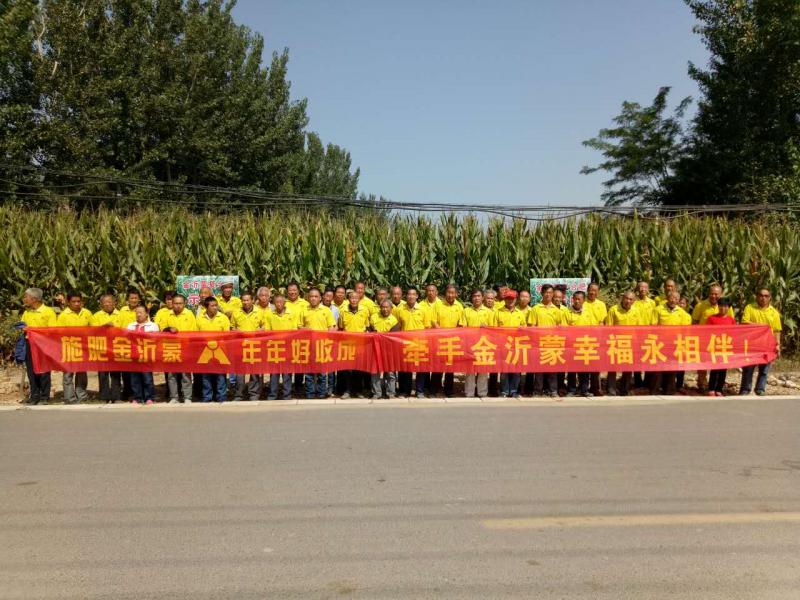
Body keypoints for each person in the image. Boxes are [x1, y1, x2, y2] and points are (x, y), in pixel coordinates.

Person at [739, 288, 782, 396]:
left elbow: (777, 330)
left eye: (766, 296)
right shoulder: (750, 308)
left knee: (764, 369)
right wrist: (760, 327)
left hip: (767, 344)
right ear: (757, 297)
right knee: (748, 368)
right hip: (752, 344)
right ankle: (745, 389)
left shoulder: (774, 313)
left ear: (770, 298)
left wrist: (777, 345)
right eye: (761, 295)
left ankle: (760, 389)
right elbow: (744, 322)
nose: (763, 298)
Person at [20, 288, 58, 404]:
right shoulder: (27, 312)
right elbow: (23, 325)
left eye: (26, 297)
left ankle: (44, 397)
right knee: (31, 370)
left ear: (34, 299)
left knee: (44, 370)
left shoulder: (48, 312)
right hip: (29, 343)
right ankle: (34, 396)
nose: (24, 299)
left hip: (43, 344)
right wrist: (22, 328)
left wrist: (32, 329)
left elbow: (52, 330)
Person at [395, 286, 433, 398]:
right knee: (406, 369)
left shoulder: (423, 309)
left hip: (420, 343)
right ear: (406, 296)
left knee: (421, 368)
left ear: (417, 296)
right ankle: (406, 391)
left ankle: (419, 390)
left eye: (413, 294)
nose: (411, 296)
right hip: (405, 344)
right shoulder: (400, 310)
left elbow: (427, 327)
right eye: (409, 294)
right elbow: (397, 326)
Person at [528, 284, 565, 398]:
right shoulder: (535, 309)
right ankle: (537, 391)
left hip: (553, 343)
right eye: (546, 292)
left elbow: (561, 327)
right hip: (539, 343)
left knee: (553, 369)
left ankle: (553, 390)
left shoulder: (557, 310)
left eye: (550, 292)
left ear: (553, 294)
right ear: (541, 293)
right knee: (539, 369)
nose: (548, 295)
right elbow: (531, 326)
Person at [651, 291, 692, 395]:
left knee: (672, 368)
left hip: (674, 344)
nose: (673, 300)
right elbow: (653, 326)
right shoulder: (658, 309)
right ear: (667, 298)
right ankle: (655, 389)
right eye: (672, 297)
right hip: (660, 344)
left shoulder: (682, 313)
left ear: (678, 300)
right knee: (658, 369)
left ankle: (669, 390)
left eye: (676, 298)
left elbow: (685, 330)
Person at [299, 287, 336, 399]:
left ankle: (321, 393)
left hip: (322, 346)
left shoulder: (326, 310)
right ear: (308, 298)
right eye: (311, 296)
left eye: (316, 296)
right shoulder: (304, 310)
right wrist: (307, 330)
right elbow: (299, 326)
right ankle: (310, 393)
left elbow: (332, 327)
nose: (313, 298)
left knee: (322, 372)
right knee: (308, 372)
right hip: (308, 346)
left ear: (320, 298)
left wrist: (327, 339)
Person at [56, 291, 92, 404]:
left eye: (78, 301)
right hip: (68, 347)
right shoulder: (63, 315)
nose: (76, 304)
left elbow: (94, 328)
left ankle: (82, 395)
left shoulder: (87, 313)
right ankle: (69, 398)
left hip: (83, 347)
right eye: (74, 301)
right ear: (68, 302)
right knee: (68, 373)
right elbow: (58, 332)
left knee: (82, 372)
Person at [231, 291, 266, 401]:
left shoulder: (259, 312)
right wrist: (235, 331)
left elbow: (265, 326)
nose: (245, 302)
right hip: (240, 346)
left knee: (254, 372)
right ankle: (239, 394)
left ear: (252, 300)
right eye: (244, 300)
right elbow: (231, 327)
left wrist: (261, 330)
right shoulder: (236, 312)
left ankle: (253, 394)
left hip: (255, 346)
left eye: (248, 300)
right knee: (239, 373)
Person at [195, 296, 231, 402]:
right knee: (206, 376)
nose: (215, 307)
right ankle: (207, 397)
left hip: (220, 350)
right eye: (212, 306)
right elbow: (196, 335)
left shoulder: (223, 318)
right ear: (206, 307)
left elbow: (227, 335)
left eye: (216, 305)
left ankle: (221, 396)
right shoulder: (200, 318)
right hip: (205, 351)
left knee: (220, 375)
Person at [431, 284, 465, 397]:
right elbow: (433, 321)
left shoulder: (459, 306)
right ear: (445, 293)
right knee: (438, 365)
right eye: (448, 292)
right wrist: (442, 333)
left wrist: (454, 335)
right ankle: (434, 389)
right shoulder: (438, 305)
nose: (450, 295)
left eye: (452, 293)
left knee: (450, 367)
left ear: (456, 294)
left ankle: (448, 390)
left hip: (452, 342)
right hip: (439, 340)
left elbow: (461, 324)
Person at [163, 294, 197, 404]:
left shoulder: (189, 314)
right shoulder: (167, 315)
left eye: (180, 303)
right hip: (171, 348)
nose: (178, 305)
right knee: (171, 375)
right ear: (172, 304)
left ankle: (187, 397)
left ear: (184, 303)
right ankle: (174, 397)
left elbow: (194, 331)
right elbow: (161, 329)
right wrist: (169, 329)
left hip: (186, 348)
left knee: (185, 374)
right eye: (176, 303)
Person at [605, 291, 640, 396]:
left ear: (634, 301)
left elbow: (639, 329)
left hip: (630, 344)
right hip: (615, 343)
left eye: (631, 299)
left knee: (628, 368)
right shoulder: (613, 310)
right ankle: (611, 388)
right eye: (626, 298)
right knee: (613, 367)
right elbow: (608, 328)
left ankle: (625, 389)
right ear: (622, 298)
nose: (628, 301)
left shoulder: (636, 311)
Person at [463, 289, 496, 398]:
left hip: (484, 345)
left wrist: (486, 328)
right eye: (474, 296)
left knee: (483, 370)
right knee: (470, 370)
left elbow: (493, 329)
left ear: (482, 298)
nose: (476, 298)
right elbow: (463, 328)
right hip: (470, 344)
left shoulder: (489, 312)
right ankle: (469, 392)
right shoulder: (466, 311)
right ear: (471, 298)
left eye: (478, 296)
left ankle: (482, 392)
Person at [338, 291, 371, 398]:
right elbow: (341, 327)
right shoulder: (343, 311)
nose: (354, 300)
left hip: (360, 344)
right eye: (352, 298)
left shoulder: (364, 310)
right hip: (347, 345)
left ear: (359, 299)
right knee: (347, 369)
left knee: (358, 368)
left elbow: (367, 327)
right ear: (348, 299)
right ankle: (347, 391)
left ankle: (358, 391)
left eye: (356, 298)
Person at [91, 293, 123, 402]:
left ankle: (116, 396)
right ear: (101, 304)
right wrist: (104, 327)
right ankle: (104, 396)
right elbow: (93, 331)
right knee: (103, 374)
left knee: (116, 374)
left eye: (110, 302)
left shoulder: (120, 314)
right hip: (102, 348)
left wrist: (115, 328)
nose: (108, 304)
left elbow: (125, 330)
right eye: (105, 302)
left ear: (114, 303)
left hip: (116, 347)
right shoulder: (96, 316)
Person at [565, 291, 598, 397]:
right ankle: (571, 390)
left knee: (585, 369)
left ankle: (584, 390)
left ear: (583, 300)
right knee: (572, 369)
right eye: (575, 299)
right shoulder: (567, 312)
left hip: (585, 344)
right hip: (572, 345)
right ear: (572, 299)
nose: (577, 301)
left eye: (579, 299)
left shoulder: (589, 313)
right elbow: (564, 329)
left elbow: (593, 328)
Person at [266, 294, 298, 400]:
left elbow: (294, 331)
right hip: (274, 348)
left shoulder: (292, 314)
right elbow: (267, 331)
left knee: (287, 373)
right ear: (274, 303)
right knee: (274, 373)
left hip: (288, 348)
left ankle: (287, 395)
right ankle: (272, 395)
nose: (279, 304)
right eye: (277, 302)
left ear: (285, 303)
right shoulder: (270, 315)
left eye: (281, 302)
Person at [692, 284, 724, 391]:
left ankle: (716, 385)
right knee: (703, 362)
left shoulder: (725, 306)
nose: (713, 296)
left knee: (718, 362)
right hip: (704, 339)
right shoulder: (700, 306)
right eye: (711, 294)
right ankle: (703, 384)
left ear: (721, 294)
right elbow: (695, 321)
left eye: (716, 294)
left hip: (720, 340)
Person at [496, 289, 526, 398]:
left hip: (516, 345)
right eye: (508, 298)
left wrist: (522, 329)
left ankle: (514, 391)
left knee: (516, 370)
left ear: (515, 300)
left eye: (512, 299)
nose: (510, 300)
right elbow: (493, 329)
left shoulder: (520, 313)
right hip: (503, 345)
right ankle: (504, 391)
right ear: (504, 299)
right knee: (504, 369)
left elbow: (525, 328)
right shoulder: (498, 312)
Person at [127, 305, 159, 405]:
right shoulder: (130, 326)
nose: (139, 314)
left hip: (147, 356)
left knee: (147, 378)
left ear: (146, 313)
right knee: (135, 379)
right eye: (137, 312)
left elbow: (156, 340)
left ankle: (149, 397)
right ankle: (137, 397)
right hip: (134, 356)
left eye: (141, 312)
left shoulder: (153, 326)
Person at [370, 299, 401, 398]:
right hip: (375, 349)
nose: (385, 309)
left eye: (387, 307)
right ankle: (377, 393)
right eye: (383, 307)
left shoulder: (394, 320)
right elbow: (371, 331)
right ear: (380, 308)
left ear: (391, 309)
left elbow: (393, 336)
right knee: (375, 372)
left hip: (389, 350)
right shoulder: (373, 317)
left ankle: (391, 392)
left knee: (390, 373)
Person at [706, 298, 736, 397]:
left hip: (726, 347)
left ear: (729, 308)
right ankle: (711, 388)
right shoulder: (711, 318)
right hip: (714, 347)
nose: (723, 308)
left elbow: (734, 334)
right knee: (714, 369)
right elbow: (706, 332)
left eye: (725, 306)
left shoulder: (731, 320)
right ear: (718, 306)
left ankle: (719, 389)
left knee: (723, 369)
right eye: (721, 306)